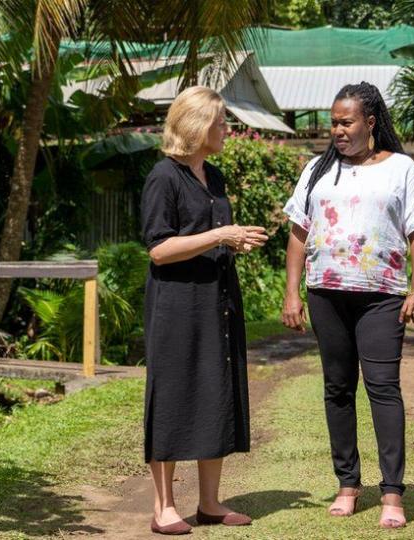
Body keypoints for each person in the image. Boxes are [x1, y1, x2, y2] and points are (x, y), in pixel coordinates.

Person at [280, 82, 414, 529]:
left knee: (383, 386)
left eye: (346, 121)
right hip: (326, 293)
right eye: (333, 122)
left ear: (370, 122)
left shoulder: (401, 168)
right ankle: (348, 484)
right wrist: (292, 293)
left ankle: (392, 493)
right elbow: (298, 233)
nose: (337, 130)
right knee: (337, 388)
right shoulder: (316, 169)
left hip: (382, 295)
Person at [141, 86, 268, 535]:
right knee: (174, 395)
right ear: (196, 126)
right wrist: (220, 236)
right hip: (176, 305)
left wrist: (236, 240)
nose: (226, 129)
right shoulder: (164, 176)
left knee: (216, 390)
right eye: (219, 121)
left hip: (217, 298)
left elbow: (213, 233)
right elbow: (159, 248)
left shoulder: (212, 177)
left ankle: (210, 503)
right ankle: (164, 507)